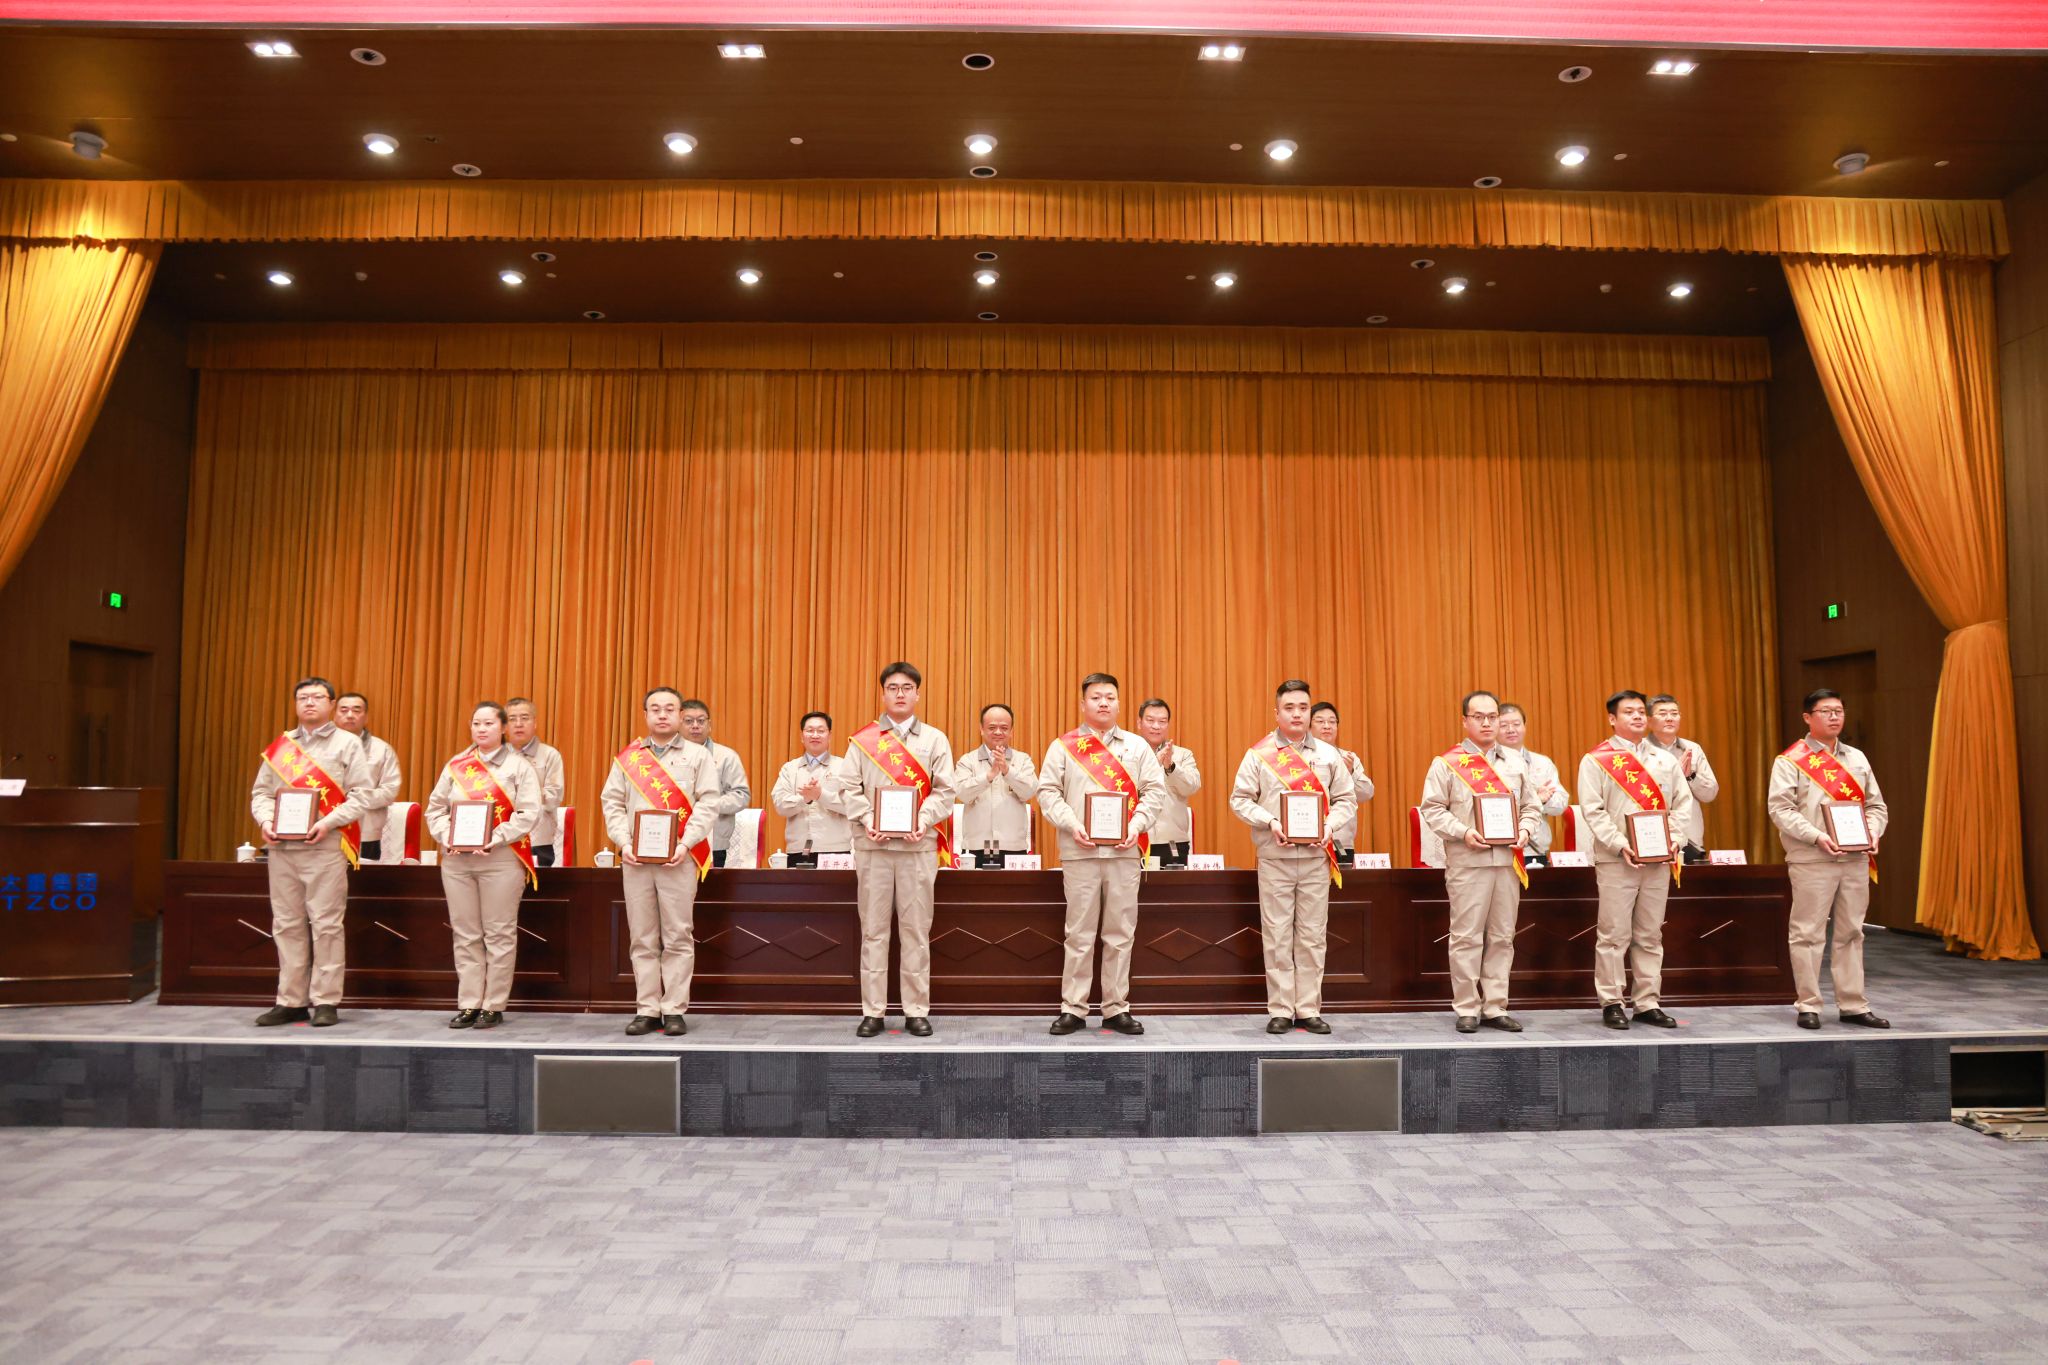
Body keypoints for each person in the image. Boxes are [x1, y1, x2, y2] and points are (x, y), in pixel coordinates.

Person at [1036, 673, 1165, 1035]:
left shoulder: (1138, 747)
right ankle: (1073, 1008)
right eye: (1096, 697)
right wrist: (1071, 823)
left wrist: (1136, 825)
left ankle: (1115, 1007)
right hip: (1080, 853)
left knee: (1120, 933)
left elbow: (1155, 792)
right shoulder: (1063, 747)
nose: (1103, 702)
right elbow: (1047, 792)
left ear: (1119, 703)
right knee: (1078, 933)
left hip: (1124, 853)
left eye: (1109, 696)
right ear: (1083, 704)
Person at [832, 662, 957, 1037]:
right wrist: (868, 817)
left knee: (916, 931)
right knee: (873, 931)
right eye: (892, 687)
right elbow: (847, 788)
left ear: (917, 694)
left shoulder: (935, 740)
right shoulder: (862, 741)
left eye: (906, 688)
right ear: (883, 693)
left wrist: (923, 819)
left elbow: (945, 791)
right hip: (874, 848)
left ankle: (916, 1009)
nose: (900, 694)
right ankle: (873, 1011)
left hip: (918, 849)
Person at [1229, 679, 1357, 1034]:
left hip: (1316, 858)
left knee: (1313, 936)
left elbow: (1346, 799)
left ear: (1310, 711)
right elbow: (1239, 799)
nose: (1297, 714)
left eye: (1303, 708)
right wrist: (1269, 821)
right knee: (1277, 935)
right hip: (1276, 857)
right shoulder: (1259, 754)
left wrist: (1329, 825)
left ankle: (1309, 1008)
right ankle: (1281, 1009)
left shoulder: (1328, 755)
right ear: (1277, 713)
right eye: (1289, 708)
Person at [248, 676, 372, 1028]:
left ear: (331, 704)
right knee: (286, 924)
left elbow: (362, 795)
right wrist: (266, 821)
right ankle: (291, 1000)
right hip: (282, 848)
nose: (309, 703)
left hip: (324, 846)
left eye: (317, 697)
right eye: (303, 697)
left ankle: (326, 1000)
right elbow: (261, 794)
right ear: (296, 704)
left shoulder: (347, 743)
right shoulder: (282, 746)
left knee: (326, 924)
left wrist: (328, 822)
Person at [1419, 691, 1545, 1033]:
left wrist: (1525, 829)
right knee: (1466, 937)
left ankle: (1495, 1006)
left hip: (1507, 862)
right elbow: (1432, 809)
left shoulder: (1516, 763)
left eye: (1492, 716)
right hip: (1468, 861)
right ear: (1465, 721)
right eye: (1479, 717)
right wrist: (1463, 832)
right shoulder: (1447, 763)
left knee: (1503, 936)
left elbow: (1532, 806)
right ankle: (1467, 1008)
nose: (1487, 723)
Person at [600, 686, 721, 1037]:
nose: (663, 715)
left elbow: (708, 803)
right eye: (656, 709)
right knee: (642, 936)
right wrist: (624, 843)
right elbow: (612, 803)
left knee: (678, 935)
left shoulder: (698, 756)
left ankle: (674, 1009)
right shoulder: (628, 759)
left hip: (679, 859)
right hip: (636, 861)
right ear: (646, 715)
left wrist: (685, 843)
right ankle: (647, 1008)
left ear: (680, 715)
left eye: (670, 709)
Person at [1768, 689, 1890, 1031]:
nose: (1834, 717)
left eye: (1839, 710)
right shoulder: (1790, 760)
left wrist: (1873, 832)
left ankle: (1853, 1004)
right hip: (1812, 858)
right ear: (1808, 717)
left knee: (1852, 932)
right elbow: (1780, 809)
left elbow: (1876, 805)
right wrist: (1816, 836)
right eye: (1826, 711)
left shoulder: (1857, 758)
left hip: (1854, 858)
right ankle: (1808, 1004)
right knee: (1807, 932)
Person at [1577, 690, 1695, 1030]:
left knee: (1650, 934)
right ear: (1612, 719)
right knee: (1613, 935)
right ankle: (1612, 1001)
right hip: (1618, 860)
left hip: (1658, 860)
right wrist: (1619, 845)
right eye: (1629, 712)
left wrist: (1675, 840)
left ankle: (1647, 1002)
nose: (1638, 717)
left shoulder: (1664, 760)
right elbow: (1593, 810)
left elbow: (1682, 804)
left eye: (1641, 711)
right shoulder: (1596, 760)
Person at [424, 701, 541, 1030]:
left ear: (503, 728)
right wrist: (446, 835)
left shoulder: (519, 767)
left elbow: (529, 813)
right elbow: (435, 809)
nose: (481, 729)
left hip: (500, 859)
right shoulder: (456, 766)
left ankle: (494, 1004)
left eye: (489, 723)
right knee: (465, 934)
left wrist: (495, 837)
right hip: (456, 860)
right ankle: (469, 1003)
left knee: (499, 933)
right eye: (476, 723)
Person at [954, 703, 1038, 864]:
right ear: (981, 729)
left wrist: (1007, 771)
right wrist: (989, 776)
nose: (998, 732)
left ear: (1011, 731)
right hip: (976, 848)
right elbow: (962, 794)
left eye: (1004, 728)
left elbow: (1029, 791)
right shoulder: (968, 760)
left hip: (1014, 848)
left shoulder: (1023, 760)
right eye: (992, 727)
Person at [769, 711, 854, 862]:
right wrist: (804, 799)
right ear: (802, 736)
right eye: (810, 730)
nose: (815, 735)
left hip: (835, 850)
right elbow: (780, 806)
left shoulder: (844, 766)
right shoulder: (789, 769)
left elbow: (852, 805)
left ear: (830, 735)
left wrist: (821, 796)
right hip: (798, 850)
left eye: (821, 731)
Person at [1647, 694, 1719, 863]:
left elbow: (1710, 793)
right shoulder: (1639, 750)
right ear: (1649, 721)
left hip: (1689, 835)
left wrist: (1690, 776)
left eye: (1674, 713)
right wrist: (1673, 776)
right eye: (1662, 713)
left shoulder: (1692, 749)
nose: (1669, 718)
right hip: (1652, 832)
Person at [679, 698, 751, 867]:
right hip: (675, 840)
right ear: (678, 725)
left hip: (713, 843)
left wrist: (707, 805)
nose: (695, 726)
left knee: (711, 885)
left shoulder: (726, 756)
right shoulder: (668, 756)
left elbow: (741, 796)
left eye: (701, 721)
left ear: (709, 725)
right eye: (688, 721)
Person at [1495, 703, 1568, 866]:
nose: (1511, 730)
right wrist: (1535, 799)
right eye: (1504, 725)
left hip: (1535, 851)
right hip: (1500, 852)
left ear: (1524, 726)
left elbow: (1561, 805)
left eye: (1516, 724)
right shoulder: (1488, 764)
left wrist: (1545, 800)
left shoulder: (1542, 762)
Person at [334, 691, 401, 861]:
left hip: (365, 833)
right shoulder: (319, 748)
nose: (350, 715)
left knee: (362, 878)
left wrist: (357, 797)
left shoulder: (382, 750)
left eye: (356, 710)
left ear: (366, 717)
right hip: (324, 831)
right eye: (344, 710)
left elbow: (390, 790)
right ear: (334, 715)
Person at [1136, 698, 1201, 866]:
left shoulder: (1182, 755)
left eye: (1162, 721)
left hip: (1172, 842)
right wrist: (1154, 765)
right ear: (1139, 723)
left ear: (1168, 725)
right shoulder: (1128, 754)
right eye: (1150, 720)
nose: (1156, 726)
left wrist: (1170, 766)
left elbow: (1192, 787)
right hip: (1135, 839)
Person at [1309, 702, 1375, 860]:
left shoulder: (1348, 758)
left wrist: (1350, 772)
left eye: (1332, 722)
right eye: (1320, 721)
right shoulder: (1299, 759)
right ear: (1308, 726)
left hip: (1341, 842)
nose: (1327, 726)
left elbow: (1367, 793)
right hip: (1308, 842)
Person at [505, 697, 565, 867]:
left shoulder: (550, 755)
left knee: (537, 885)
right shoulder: (496, 757)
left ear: (535, 723)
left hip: (538, 840)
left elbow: (553, 798)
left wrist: (521, 792)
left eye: (524, 718)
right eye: (512, 719)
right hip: (503, 839)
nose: (518, 724)